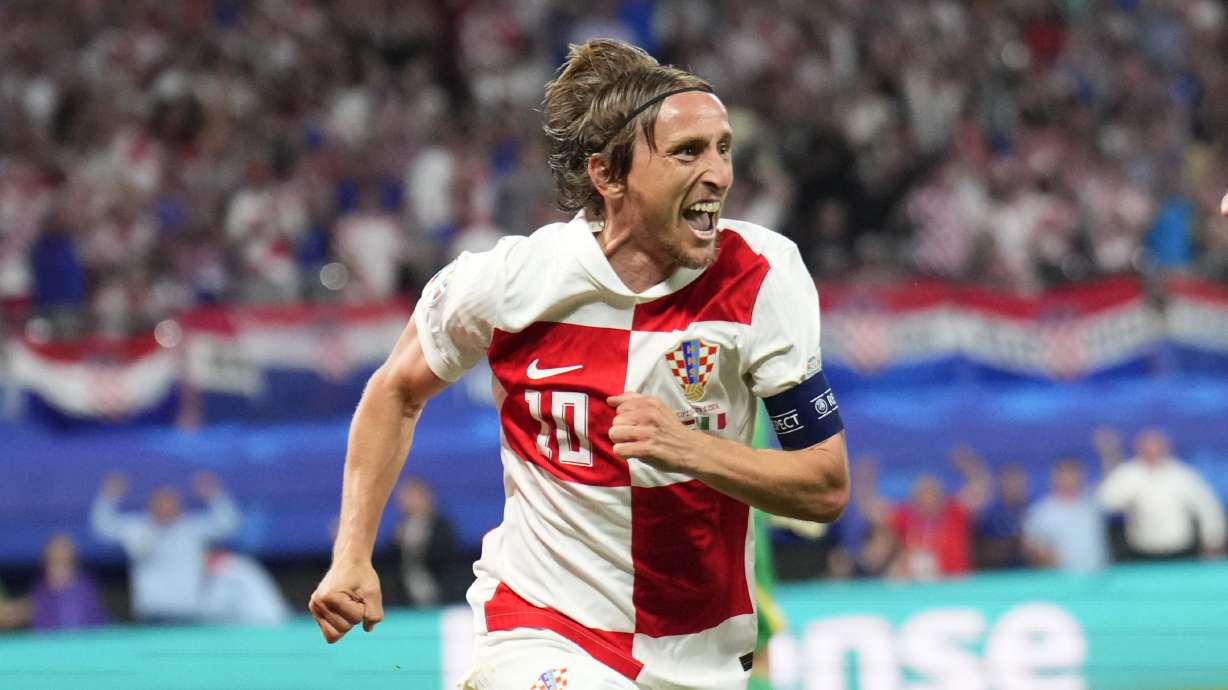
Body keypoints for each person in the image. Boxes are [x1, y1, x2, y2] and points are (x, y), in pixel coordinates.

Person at [309, 38, 850, 690]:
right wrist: (351, 554)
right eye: (688, 152)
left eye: (723, 148)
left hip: (699, 653)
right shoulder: (509, 282)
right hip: (539, 628)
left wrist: (689, 449)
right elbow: (396, 390)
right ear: (608, 176)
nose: (718, 174)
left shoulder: (763, 277)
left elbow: (825, 485)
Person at [90, 471, 240, 623]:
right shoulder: (138, 528)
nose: (165, 507)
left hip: (190, 611)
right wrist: (109, 497)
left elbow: (228, 524)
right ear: (150, 505)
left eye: (169, 502)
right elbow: (103, 528)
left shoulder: (192, 528)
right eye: (160, 502)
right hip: (152, 612)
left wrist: (214, 495)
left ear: (179, 505)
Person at [1097, 427, 1226, 560]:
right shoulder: (1128, 474)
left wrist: (1213, 540)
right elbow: (1107, 502)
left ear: (1166, 447)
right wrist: (1110, 458)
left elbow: (1207, 507)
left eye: (1155, 445)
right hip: (1142, 551)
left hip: (1180, 550)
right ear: (1138, 448)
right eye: (1147, 446)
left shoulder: (1182, 474)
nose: (1151, 450)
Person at [890, 445, 990, 579]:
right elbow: (874, 511)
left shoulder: (955, 512)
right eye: (922, 493)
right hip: (920, 583)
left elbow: (980, 490)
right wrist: (865, 481)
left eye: (931, 492)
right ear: (914, 497)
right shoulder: (905, 518)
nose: (927, 498)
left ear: (940, 494)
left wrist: (969, 466)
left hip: (956, 580)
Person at [1022, 459, 1109, 574]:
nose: (1069, 480)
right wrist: (1043, 557)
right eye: (1064, 475)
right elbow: (1031, 546)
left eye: (1073, 475)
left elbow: (1113, 482)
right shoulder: (1041, 512)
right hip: (1060, 578)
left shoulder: (1092, 503)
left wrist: (1108, 453)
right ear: (1055, 478)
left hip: (1098, 576)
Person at [393, 477, 465, 607]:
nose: (410, 502)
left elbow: (446, 557)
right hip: (406, 594)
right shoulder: (401, 527)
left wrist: (421, 545)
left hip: (441, 591)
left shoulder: (442, 526)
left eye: (415, 497)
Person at [28, 533, 110, 630]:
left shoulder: (86, 590)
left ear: (75, 565)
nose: (59, 571)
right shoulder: (41, 593)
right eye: (54, 564)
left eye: (65, 564)